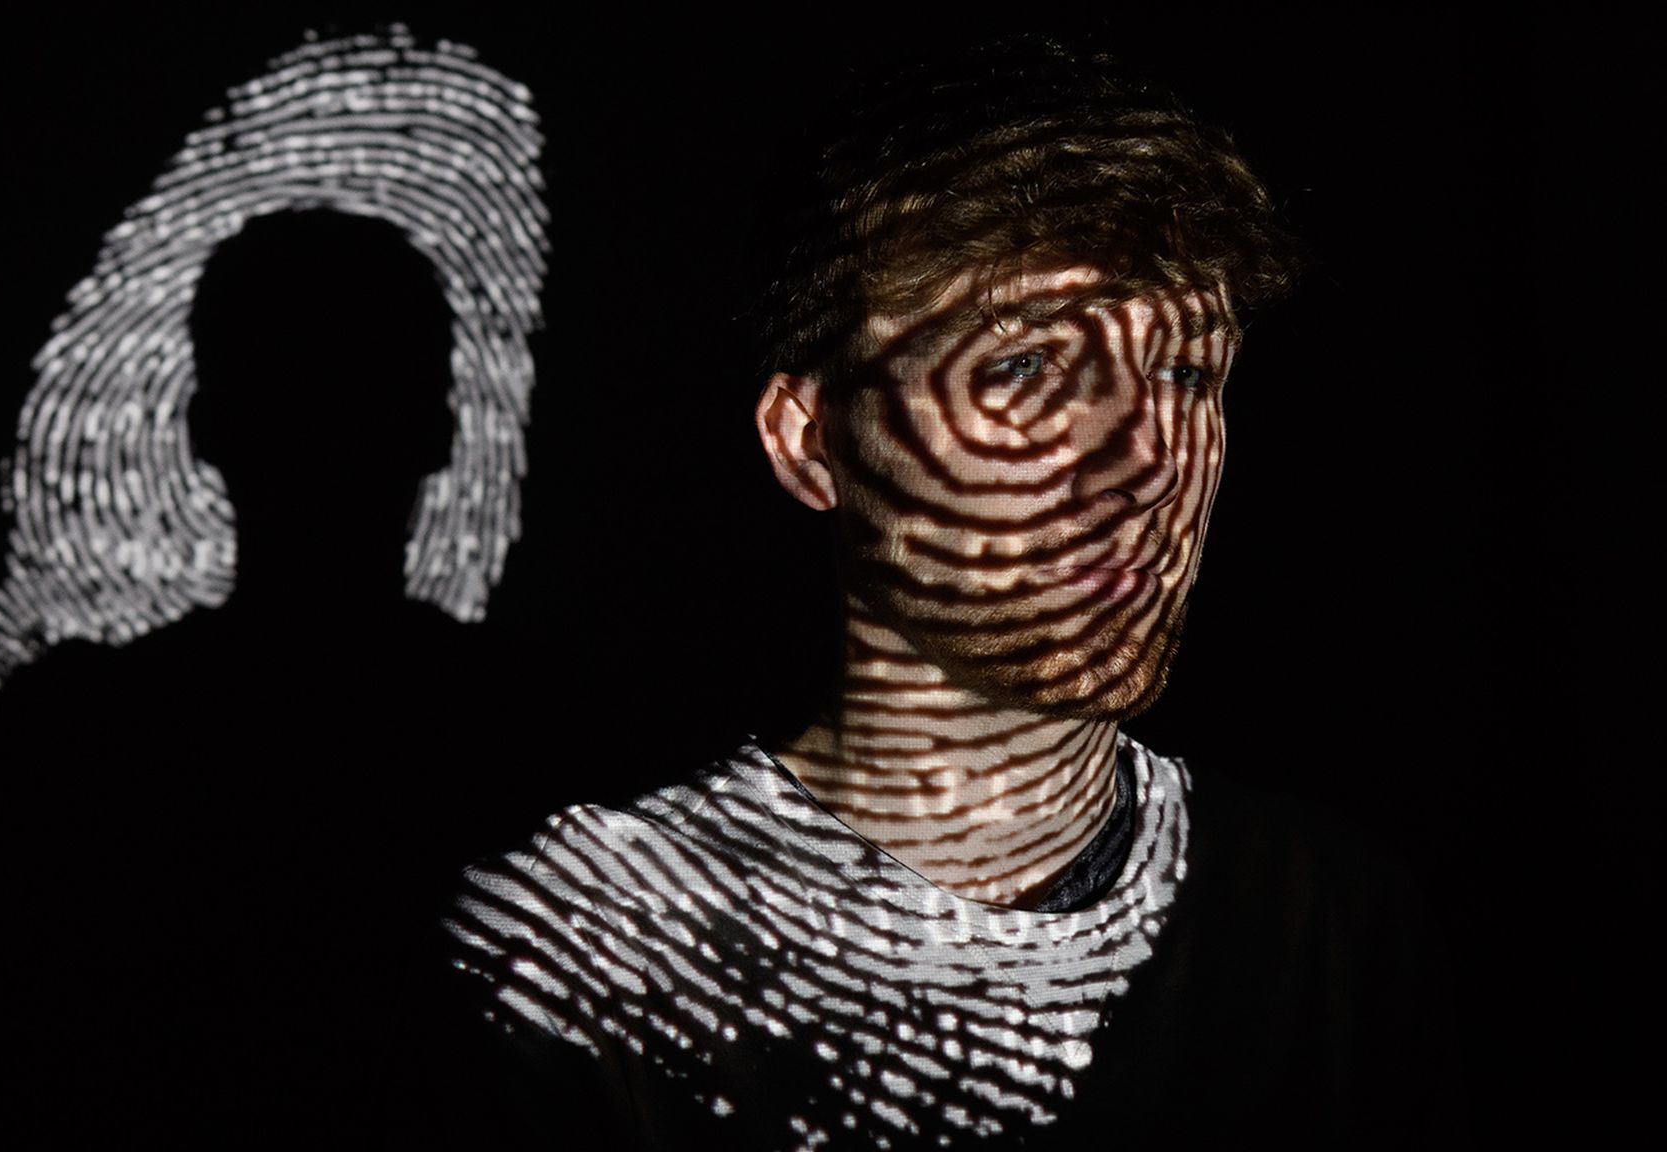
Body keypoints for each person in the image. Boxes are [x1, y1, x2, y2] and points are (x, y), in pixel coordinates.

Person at [437, 36, 1460, 1148]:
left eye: (1184, 372)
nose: (1142, 461)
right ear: (812, 440)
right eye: (1021, 368)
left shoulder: (1327, 929)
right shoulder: (587, 953)